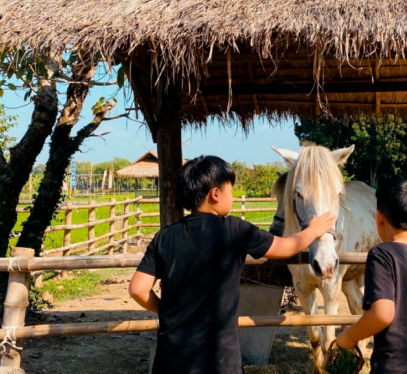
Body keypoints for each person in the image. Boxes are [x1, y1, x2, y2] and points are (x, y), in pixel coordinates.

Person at [128, 155, 336, 374]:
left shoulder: (164, 237)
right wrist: (313, 230)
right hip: (220, 359)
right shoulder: (235, 230)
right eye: (231, 190)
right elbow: (285, 247)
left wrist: (166, 309)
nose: (233, 197)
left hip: (171, 361)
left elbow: (137, 289)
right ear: (215, 194)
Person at [335, 177, 407, 373]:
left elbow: (382, 314)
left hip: (398, 366)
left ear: (378, 217)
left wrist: (348, 337)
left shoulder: (382, 254)